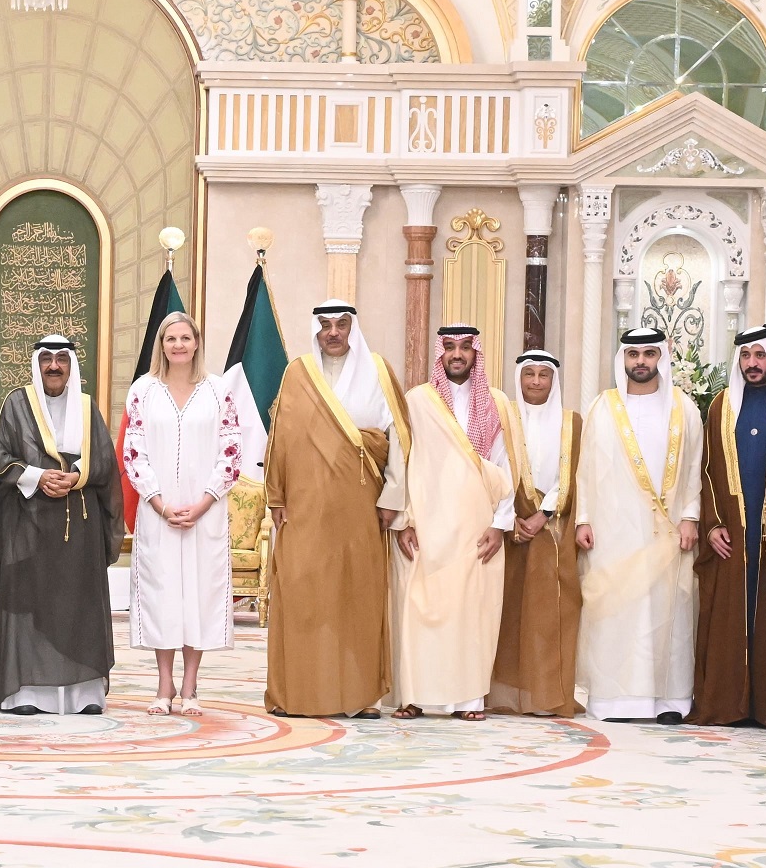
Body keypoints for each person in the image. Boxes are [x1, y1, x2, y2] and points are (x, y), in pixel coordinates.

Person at [262, 300, 406, 718]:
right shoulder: (298, 373)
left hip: (360, 506)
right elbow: (280, 438)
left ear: (352, 328)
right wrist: (276, 497)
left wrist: (392, 499)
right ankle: (296, 694)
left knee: (356, 596)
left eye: (341, 324)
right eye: (325, 325)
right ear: (316, 330)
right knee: (303, 593)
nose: (333, 333)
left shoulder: (377, 370)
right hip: (303, 506)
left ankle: (360, 698)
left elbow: (398, 438)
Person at [380, 324, 516, 720]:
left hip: (476, 523)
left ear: (476, 353)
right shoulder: (417, 400)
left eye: (465, 347)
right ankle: (414, 696)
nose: (458, 354)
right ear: (440, 354)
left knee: (471, 613)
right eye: (450, 347)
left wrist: (500, 523)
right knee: (416, 609)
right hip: (424, 521)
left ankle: (468, 700)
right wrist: (404, 520)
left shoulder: (496, 402)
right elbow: (401, 460)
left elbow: (506, 465)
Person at [572, 328, 703, 721]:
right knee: (615, 610)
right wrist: (583, 519)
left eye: (649, 353)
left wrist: (691, 517)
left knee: (670, 612)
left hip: (668, 529)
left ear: (661, 356)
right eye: (633, 354)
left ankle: (670, 701)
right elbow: (585, 469)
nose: (641, 361)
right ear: (623, 359)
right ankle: (614, 700)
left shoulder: (684, 408)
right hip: (613, 529)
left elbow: (695, 468)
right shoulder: (602, 407)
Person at [0, 336, 122, 716]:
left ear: (71, 365)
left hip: (78, 525)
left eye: (62, 359)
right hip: (27, 524)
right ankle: (25, 693)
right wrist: (37, 476)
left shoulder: (86, 406)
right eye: (46, 359)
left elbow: (104, 460)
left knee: (77, 605)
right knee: (29, 601)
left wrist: (77, 475)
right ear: (37, 364)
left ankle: (83, 693)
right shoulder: (16, 403)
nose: (54, 366)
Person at [120, 311, 243, 715]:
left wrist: (203, 503)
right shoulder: (143, 390)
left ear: (196, 343)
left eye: (185, 338)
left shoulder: (218, 390)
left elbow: (231, 453)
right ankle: (164, 685)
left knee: (198, 597)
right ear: (161, 345)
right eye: (170, 338)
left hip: (205, 514)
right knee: (163, 597)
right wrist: (160, 504)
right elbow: (133, 453)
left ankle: (190, 686)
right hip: (159, 513)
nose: (178, 345)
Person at [694, 324, 766, 727]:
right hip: (733, 531)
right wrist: (713, 524)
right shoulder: (722, 405)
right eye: (746, 356)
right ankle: (728, 703)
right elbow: (705, 469)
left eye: (760, 355)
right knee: (730, 613)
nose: (753, 364)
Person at [490, 350, 582, 717]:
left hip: (551, 529)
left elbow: (573, 473)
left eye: (544, 375)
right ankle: (505, 695)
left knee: (548, 614)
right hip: (506, 526)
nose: (536, 381)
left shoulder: (571, 422)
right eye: (529, 374)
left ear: (554, 380)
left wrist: (543, 514)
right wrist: (509, 516)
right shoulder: (502, 418)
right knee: (507, 613)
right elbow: (493, 468)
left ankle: (544, 695)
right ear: (519, 378)